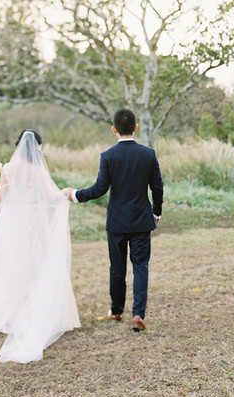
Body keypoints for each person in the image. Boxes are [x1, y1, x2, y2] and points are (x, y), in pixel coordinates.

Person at [0, 129, 80, 363]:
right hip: (33, 223)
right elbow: (48, 199)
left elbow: (1, 198)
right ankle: (33, 310)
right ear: (37, 149)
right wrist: (64, 193)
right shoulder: (37, 171)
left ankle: (12, 312)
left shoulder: (7, 168)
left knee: (11, 265)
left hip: (12, 224)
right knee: (36, 266)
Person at [63, 109, 163, 332]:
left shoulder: (108, 156)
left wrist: (76, 195)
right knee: (140, 267)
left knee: (117, 268)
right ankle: (138, 314)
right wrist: (156, 213)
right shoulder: (148, 154)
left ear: (114, 129)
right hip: (140, 221)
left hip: (117, 222)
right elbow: (157, 187)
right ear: (135, 128)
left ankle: (116, 310)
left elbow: (100, 189)